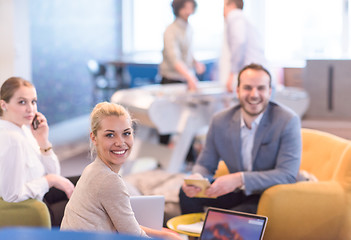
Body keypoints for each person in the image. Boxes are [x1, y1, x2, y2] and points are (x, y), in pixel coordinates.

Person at [179, 63, 301, 214]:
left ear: (270, 92)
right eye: (248, 88)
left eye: (261, 88)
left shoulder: (287, 120)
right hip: (237, 191)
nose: (254, 94)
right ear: (237, 91)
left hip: (269, 194)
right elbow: (205, 163)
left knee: (235, 216)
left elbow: (287, 175)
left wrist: (239, 179)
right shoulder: (220, 121)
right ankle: (195, 237)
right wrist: (197, 178)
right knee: (186, 194)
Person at [61, 102, 182, 240]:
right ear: (94, 138)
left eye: (126, 133)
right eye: (110, 135)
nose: (120, 142)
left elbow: (128, 227)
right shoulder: (109, 180)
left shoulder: (92, 169)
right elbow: (134, 237)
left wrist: (166, 235)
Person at [0, 77, 76, 226]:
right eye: (22, 102)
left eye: (33, 101)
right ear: (4, 105)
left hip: (41, 195)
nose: (30, 109)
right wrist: (49, 180)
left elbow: (54, 171)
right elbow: (12, 195)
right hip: (33, 207)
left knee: (88, 183)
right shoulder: (11, 139)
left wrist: (43, 141)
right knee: (92, 206)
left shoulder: (23, 128)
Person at [159, 0, 206, 91]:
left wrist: (196, 63)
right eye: (185, 8)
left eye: (191, 8)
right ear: (178, 9)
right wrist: (189, 76)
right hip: (172, 80)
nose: (189, 11)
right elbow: (174, 59)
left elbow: (188, 52)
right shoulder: (170, 30)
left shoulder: (189, 28)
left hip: (186, 78)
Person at [223, 0, 267, 93]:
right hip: (260, 75)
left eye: (224, 6)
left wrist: (232, 74)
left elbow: (239, 41)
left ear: (232, 5)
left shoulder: (234, 16)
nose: (222, 11)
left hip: (254, 76)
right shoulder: (245, 19)